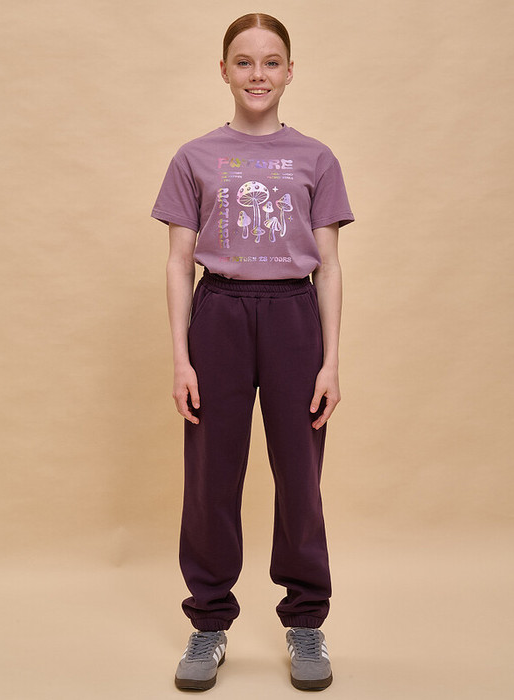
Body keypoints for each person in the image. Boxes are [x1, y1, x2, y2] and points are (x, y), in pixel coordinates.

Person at [151, 13, 354, 692]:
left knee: (299, 475)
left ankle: (305, 620)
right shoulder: (194, 157)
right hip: (219, 316)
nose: (257, 74)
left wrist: (329, 361)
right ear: (223, 71)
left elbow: (329, 264)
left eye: (271, 62)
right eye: (244, 62)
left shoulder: (316, 158)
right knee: (211, 476)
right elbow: (178, 262)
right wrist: (181, 358)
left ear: (290, 71)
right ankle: (209, 623)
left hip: (294, 316)